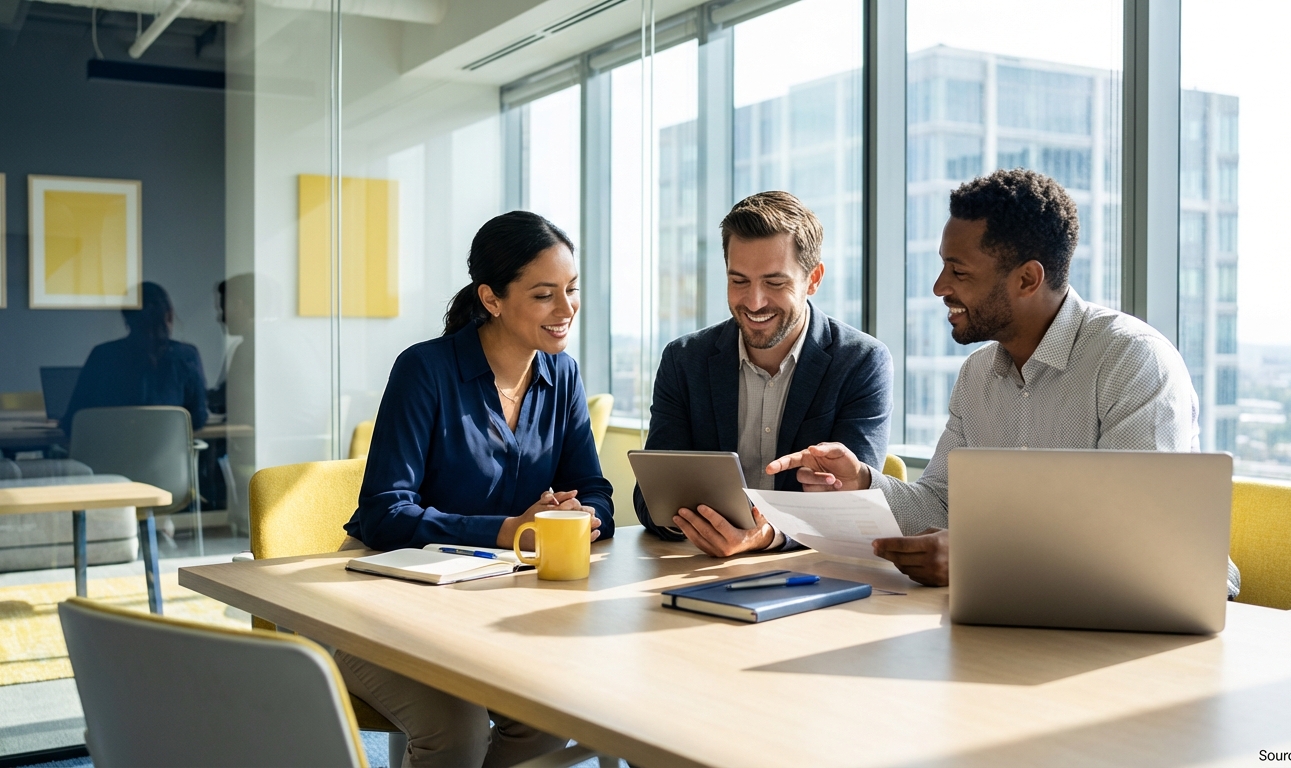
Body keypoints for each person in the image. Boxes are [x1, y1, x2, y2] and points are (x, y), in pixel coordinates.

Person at [767, 169, 1241, 598]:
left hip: (1150, 618)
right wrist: (862, 483)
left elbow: (1141, 538)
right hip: (1029, 617)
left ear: (1028, 279)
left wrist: (979, 559)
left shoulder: (1132, 359)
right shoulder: (978, 374)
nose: (939, 286)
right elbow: (941, 503)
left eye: (959, 271)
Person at [336, 211, 612, 767]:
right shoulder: (424, 370)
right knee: (456, 729)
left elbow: (594, 488)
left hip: (485, 604)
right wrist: (509, 530)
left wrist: (577, 513)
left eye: (571, 290)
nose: (566, 310)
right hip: (378, 600)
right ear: (491, 299)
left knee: (545, 715)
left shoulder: (563, 377)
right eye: (543, 295)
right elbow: (386, 512)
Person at [634, 190, 892, 557]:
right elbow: (650, 500)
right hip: (697, 567)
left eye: (774, 283)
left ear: (813, 279)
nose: (754, 302)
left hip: (810, 573)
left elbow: (850, 509)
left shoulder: (861, 362)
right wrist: (702, 524)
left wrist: (768, 533)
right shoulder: (684, 360)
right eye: (739, 281)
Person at [61, 281, 208, 436]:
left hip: (109, 458)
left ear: (126, 317)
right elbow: (198, 419)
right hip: (167, 459)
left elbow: (73, 422)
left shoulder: (102, 356)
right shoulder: (186, 357)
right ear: (169, 315)